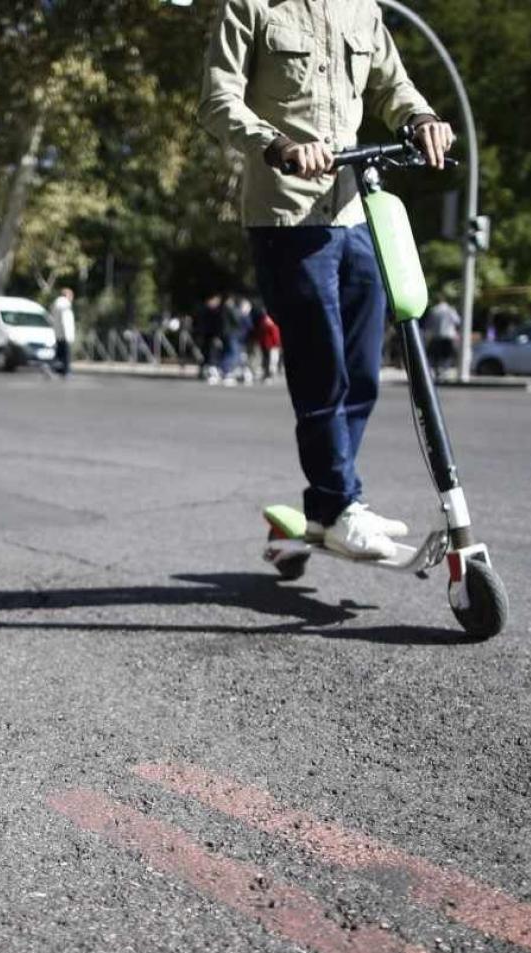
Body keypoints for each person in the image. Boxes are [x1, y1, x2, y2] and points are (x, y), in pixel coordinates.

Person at [202, 0, 454, 558]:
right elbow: (218, 100)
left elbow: (393, 85)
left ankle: (327, 506)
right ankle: (340, 504)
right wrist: (279, 145)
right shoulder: (250, 6)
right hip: (286, 218)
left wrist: (422, 118)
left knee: (363, 372)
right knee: (323, 371)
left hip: (355, 214)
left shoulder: (362, 9)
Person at [425, 295, 461, 378]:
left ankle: (437, 371)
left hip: (436, 336)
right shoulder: (450, 310)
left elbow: (429, 324)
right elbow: (457, 321)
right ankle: (445, 371)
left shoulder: (434, 310)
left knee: (436, 355)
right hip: (448, 336)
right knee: (447, 355)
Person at [50, 287, 77, 377]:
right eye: (71, 296)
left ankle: (55, 369)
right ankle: (66, 371)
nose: (72, 298)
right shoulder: (65, 305)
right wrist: (68, 335)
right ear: (67, 295)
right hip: (65, 334)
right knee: (66, 355)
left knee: (59, 354)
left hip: (58, 334)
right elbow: (66, 321)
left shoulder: (57, 304)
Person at [255, 308, 282, 383]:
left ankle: (268, 375)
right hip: (271, 344)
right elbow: (275, 334)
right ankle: (269, 375)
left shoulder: (265, 320)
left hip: (268, 343)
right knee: (271, 360)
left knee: (269, 360)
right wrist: (278, 343)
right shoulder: (270, 321)